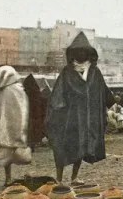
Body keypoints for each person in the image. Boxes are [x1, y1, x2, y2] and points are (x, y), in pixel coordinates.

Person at [45, 32, 115, 184]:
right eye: (78, 51)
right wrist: (58, 110)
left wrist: (112, 103)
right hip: (69, 118)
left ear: (89, 53)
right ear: (74, 53)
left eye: (84, 51)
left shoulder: (95, 72)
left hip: (88, 118)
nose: (81, 54)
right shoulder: (66, 72)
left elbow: (103, 91)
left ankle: (74, 178)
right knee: (63, 148)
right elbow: (58, 93)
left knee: (81, 149)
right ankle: (59, 179)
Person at [0, 66, 32, 186]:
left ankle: (8, 178)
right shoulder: (17, 89)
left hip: (1, 132)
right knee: (2, 158)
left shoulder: (3, 91)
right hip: (14, 131)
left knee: (5, 157)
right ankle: (6, 178)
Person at [23, 74, 48, 152]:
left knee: (29, 133)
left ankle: (30, 145)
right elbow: (44, 106)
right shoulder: (38, 94)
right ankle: (32, 145)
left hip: (28, 117)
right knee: (34, 133)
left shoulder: (25, 94)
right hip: (37, 118)